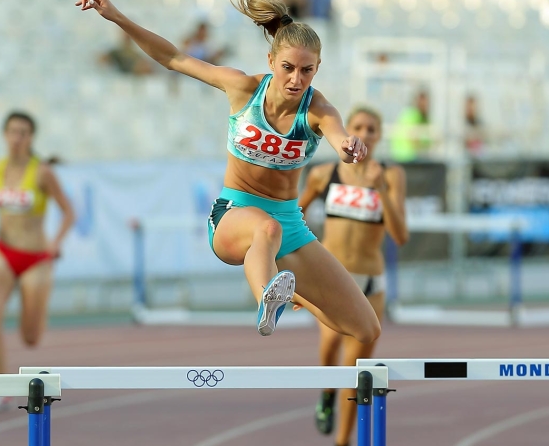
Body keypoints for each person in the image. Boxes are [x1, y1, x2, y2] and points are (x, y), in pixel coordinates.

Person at [74, 0, 381, 343]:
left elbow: (341, 139)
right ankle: (269, 296)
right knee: (265, 228)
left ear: (318, 67)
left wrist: (350, 148)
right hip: (234, 214)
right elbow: (172, 58)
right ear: (270, 61)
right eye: (288, 68)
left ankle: (287, 292)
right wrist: (115, 16)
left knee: (366, 329)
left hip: (289, 224)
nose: (296, 80)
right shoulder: (242, 88)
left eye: (307, 70)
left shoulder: (319, 110)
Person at [298, 106, 409, 446]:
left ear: (379, 135)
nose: (365, 132)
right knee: (330, 342)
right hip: (333, 277)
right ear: (348, 130)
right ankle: (327, 392)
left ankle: (342, 441)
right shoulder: (323, 173)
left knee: (357, 368)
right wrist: (303, 265)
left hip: (371, 282)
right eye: (358, 126)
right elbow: (293, 214)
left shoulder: (390, 175)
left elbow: (400, 235)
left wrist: (380, 191)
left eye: (372, 128)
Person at [0, 111, 76, 413]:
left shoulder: (42, 173)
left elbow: (69, 212)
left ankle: (34, 305)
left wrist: (56, 244)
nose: (17, 138)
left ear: (31, 138)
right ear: (4, 135)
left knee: (30, 339)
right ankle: (3, 389)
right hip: (4, 253)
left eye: (24, 133)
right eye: (13, 132)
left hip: (36, 259)